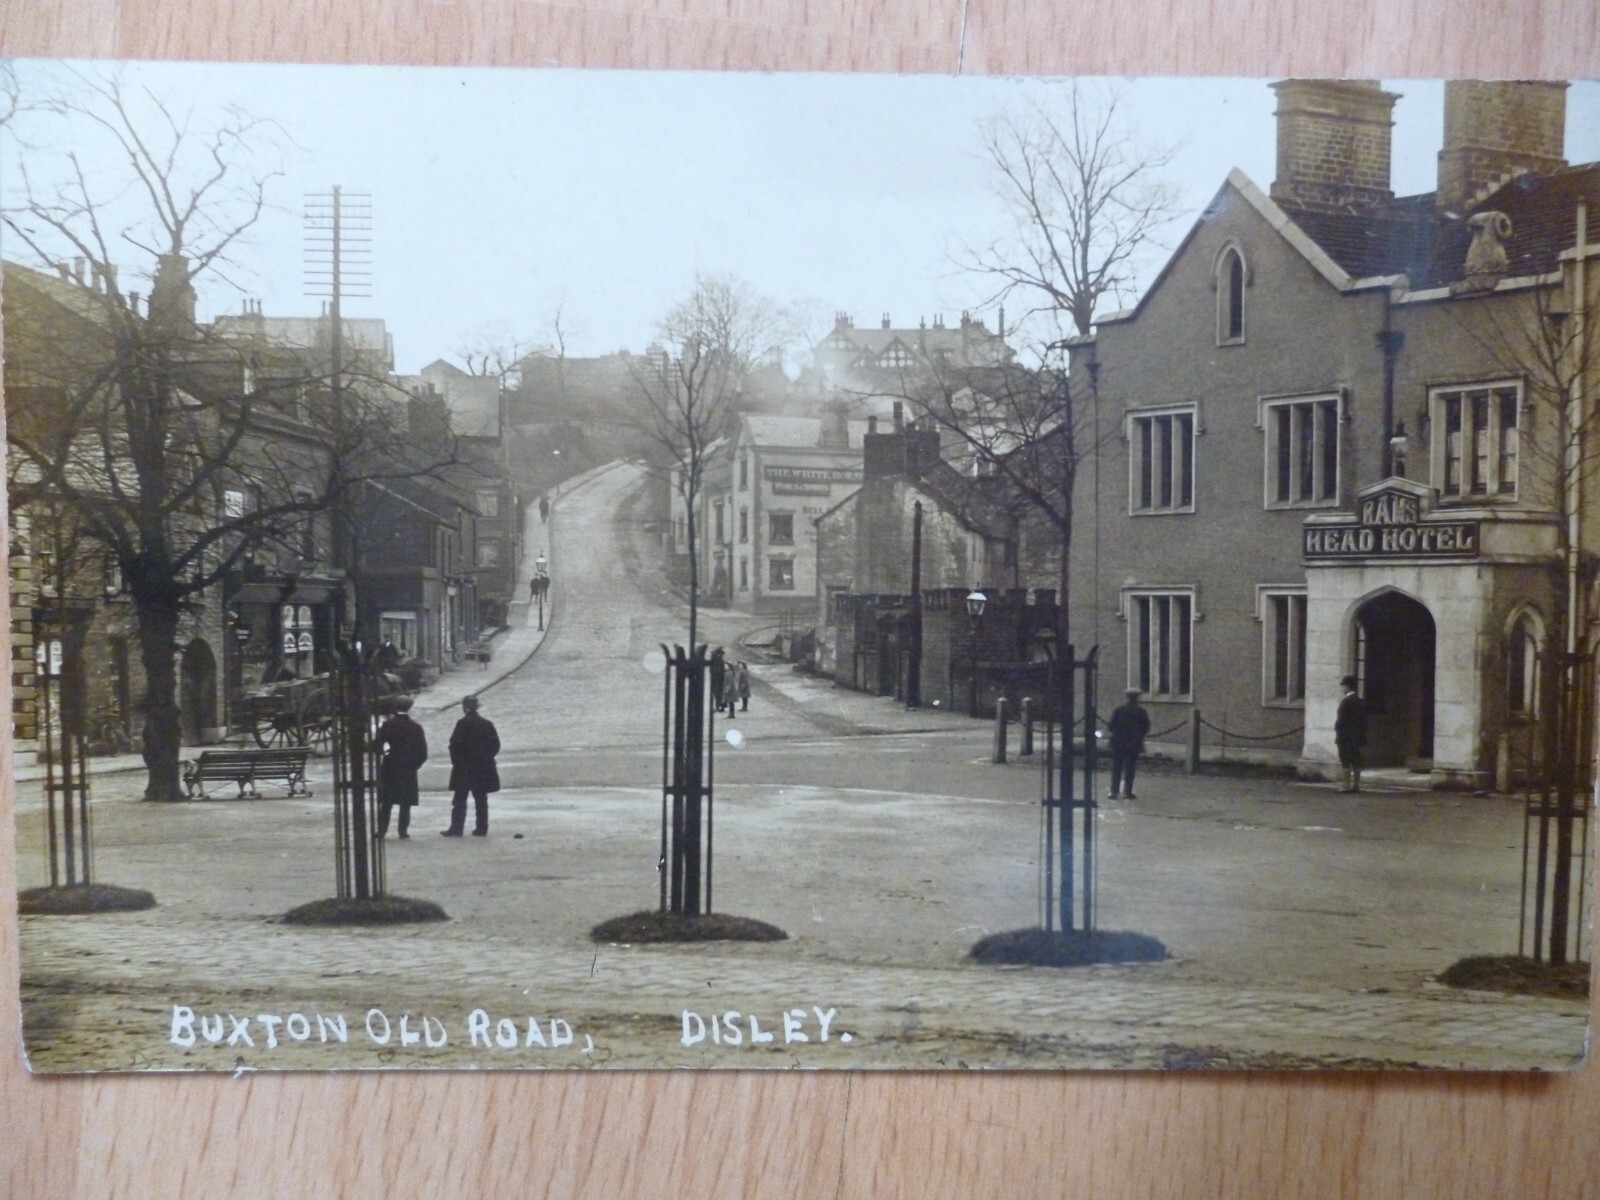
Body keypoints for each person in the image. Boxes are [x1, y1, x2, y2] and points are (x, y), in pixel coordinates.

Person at [442, 695, 501, 837]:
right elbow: (495, 745)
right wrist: (486, 758)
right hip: (482, 768)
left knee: (460, 800)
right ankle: (482, 828)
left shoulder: (462, 724)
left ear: (465, 708)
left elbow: (454, 745)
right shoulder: (487, 724)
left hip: (464, 768)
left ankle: (457, 828)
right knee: (481, 799)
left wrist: (457, 762)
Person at [372, 696, 427, 839]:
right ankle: (403, 831)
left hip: (390, 766)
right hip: (408, 768)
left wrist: (385, 752)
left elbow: (376, 746)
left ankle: (382, 831)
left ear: (395, 707)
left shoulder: (388, 726)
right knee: (405, 803)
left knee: (386, 802)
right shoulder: (416, 727)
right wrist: (414, 765)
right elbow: (423, 752)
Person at [1107, 687, 1152, 800]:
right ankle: (1128, 792)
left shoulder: (1119, 710)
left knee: (1116, 767)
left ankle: (1114, 792)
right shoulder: (1141, 712)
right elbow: (1146, 727)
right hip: (1134, 743)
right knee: (1130, 768)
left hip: (1119, 742)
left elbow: (1111, 726)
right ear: (1137, 698)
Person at [1335, 674, 1368, 793]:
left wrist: (1339, 733)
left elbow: (1341, 721)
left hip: (1345, 737)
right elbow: (1363, 721)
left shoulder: (1346, 702)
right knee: (1356, 760)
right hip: (1357, 737)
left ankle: (1345, 785)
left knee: (1345, 761)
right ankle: (1356, 785)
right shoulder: (1360, 702)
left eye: (1343, 686)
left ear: (1348, 687)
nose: (1343, 688)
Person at [708, 648, 728, 716]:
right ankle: (719, 706)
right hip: (717, 679)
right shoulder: (718, 660)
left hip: (717, 679)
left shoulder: (717, 660)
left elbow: (717, 670)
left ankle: (718, 706)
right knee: (717, 693)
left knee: (717, 693)